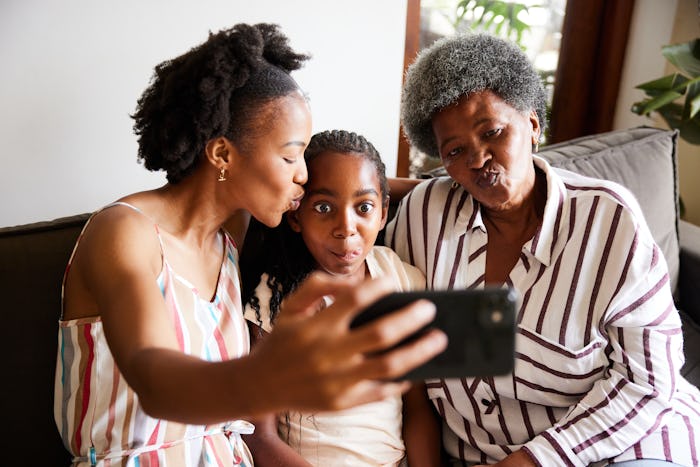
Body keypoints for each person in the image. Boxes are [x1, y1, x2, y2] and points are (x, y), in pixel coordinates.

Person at [54, 23, 447, 467]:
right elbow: (155, 380)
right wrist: (266, 377)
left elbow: (360, 186)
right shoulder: (125, 233)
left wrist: (467, 180)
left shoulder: (231, 233)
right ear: (222, 155)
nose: (303, 174)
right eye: (290, 156)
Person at [387, 32, 700, 466]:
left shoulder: (608, 221)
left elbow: (648, 384)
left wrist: (531, 460)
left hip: (623, 441)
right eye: (456, 151)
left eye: (492, 132)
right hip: (480, 453)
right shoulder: (424, 217)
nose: (478, 159)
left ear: (533, 125)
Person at [238, 129, 443, 467]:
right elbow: (260, 436)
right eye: (323, 207)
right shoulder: (273, 296)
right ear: (295, 216)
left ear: (383, 212)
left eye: (363, 207)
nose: (345, 227)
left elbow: (418, 408)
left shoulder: (401, 279)